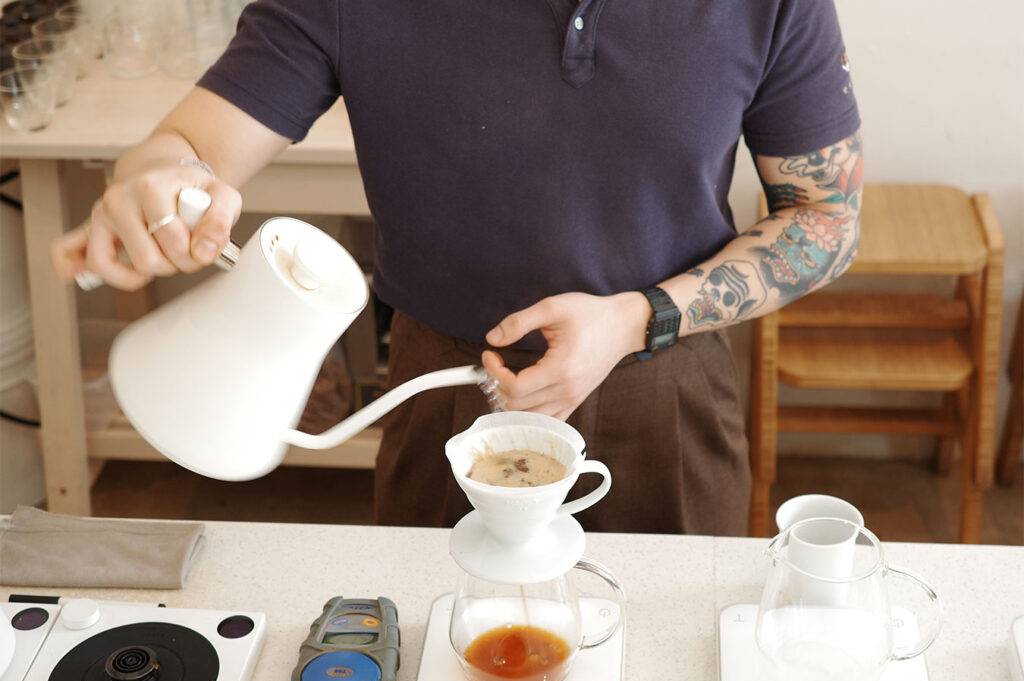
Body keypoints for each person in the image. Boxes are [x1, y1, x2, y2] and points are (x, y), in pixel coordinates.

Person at [52, 0, 862, 536]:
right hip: (441, 389)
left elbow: (825, 218)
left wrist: (636, 318)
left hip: (666, 383)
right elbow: (188, 148)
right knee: (435, 673)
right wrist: (157, 182)